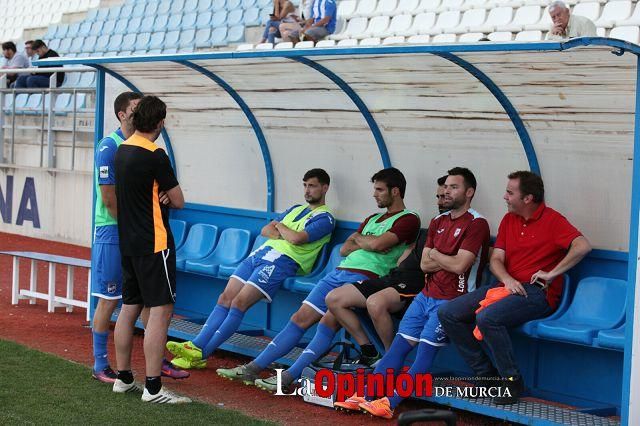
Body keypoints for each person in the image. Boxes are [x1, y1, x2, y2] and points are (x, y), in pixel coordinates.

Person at [217, 168, 420, 389]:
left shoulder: (409, 219)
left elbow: (377, 245)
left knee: (327, 322)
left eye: (380, 190)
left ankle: (288, 377)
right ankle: (253, 368)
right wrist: (368, 241)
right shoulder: (373, 218)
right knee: (299, 318)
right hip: (339, 271)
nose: (375, 194)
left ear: (396, 191)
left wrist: (368, 242)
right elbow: (346, 248)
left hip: (366, 278)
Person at [336, 167, 491, 419]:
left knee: (423, 355)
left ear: (469, 192)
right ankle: (364, 395)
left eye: (454, 187)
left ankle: (389, 403)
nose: (447, 191)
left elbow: (461, 265)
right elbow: (424, 264)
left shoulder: (477, 223)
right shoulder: (438, 221)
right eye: (446, 187)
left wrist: (439, 257)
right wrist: (446, 259)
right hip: (425, 296)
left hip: (452, 301)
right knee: (397, 349)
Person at [438, 171, 592, 405]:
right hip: (505, 286)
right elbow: (496, 259)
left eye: (510, 193)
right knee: (448, 313)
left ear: (528, 198)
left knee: (488, 318)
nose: (505, 197)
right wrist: (508, 280)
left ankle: (512, 381)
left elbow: (582, 246)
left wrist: (551, 274)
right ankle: (487, 378)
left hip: (537, 292)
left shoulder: (553, 219)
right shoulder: (509, 220)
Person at [166, 169, 335, 369]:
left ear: (325, 188)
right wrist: (283, 231)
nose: (307, 190)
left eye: (312, 186)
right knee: (225, 298)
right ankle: (195, 345)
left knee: (239, 303)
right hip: (259, 255)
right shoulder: (296, 209)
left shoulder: (325, 218)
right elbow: (265, 230)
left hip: (282, 262)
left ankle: (202, 351)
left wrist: (279, 227)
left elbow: (297, 239)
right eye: (305, 185)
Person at [90, 92, 188, 383]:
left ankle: (136, 369)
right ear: (123, 114)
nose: (137, 113)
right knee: (113, 299)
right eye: (134, 108)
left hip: (131, 235)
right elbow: (110, 200)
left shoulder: (127, 149)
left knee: (136, 303)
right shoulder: (112, 147)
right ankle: (102, 364)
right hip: (118, 231)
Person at [325, 175, 449, 364]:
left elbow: (429, 262)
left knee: (374, 304)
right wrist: (370, 242)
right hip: (394, 276)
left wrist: (363, 239)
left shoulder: (457, 225)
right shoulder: (434, 223)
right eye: (439, 197)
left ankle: (391, 358)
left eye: (445, 196)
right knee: (334, 299)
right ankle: (370, 351)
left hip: (417, 282)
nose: (441, 201)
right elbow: (345, 248)